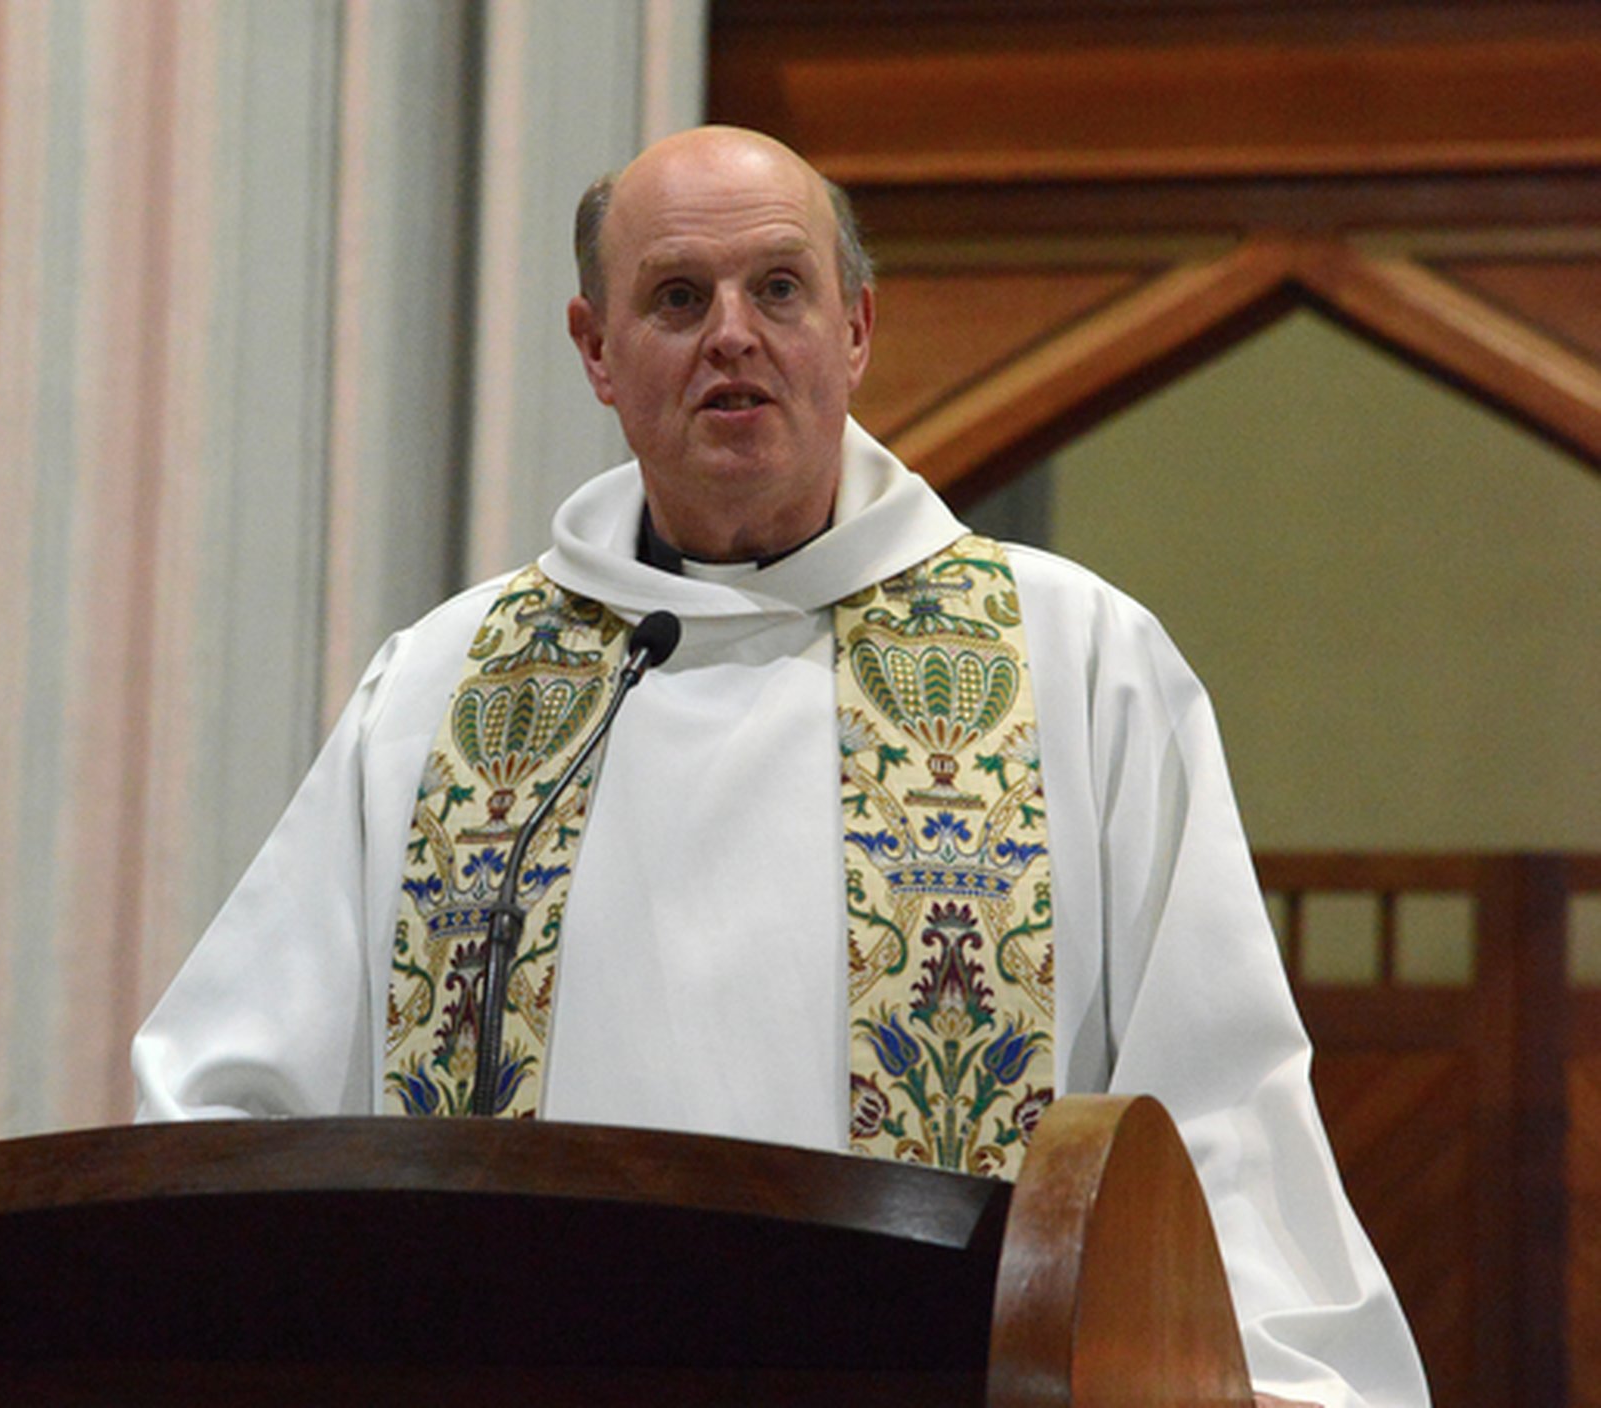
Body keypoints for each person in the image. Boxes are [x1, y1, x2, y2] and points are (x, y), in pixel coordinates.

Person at [133, 125, 1428, 1407]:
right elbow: (233, 1105)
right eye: (678, 298)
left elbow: (1209, 1094)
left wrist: (1263, 1375)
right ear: (595, 349)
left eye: (778, 289)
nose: (731, 335)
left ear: (854, 329)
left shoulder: (1070, 659)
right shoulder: (449, 684)